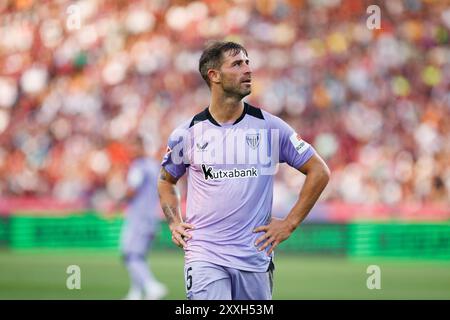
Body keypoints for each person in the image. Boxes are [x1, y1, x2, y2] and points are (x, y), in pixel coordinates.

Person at [157, 41, 330, 300]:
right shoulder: (187, 134)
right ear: (213, 75)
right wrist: (174, 222)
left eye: (248, 62)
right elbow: (166, 181)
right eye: (237, 64)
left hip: (254, 258)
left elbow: (319, 170)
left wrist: (290, 223)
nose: (248, 69)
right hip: (204, 255)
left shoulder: (271, 127)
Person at [119, 136, 168, 300]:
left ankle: (151, 285)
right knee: (139, 256)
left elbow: (132, 189)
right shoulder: (154, 165)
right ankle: (136, 292)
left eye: (134, 147)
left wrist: (116, 201)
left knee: (129, 254)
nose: (131, 151)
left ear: (141, 147)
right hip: (150, 217)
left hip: (138, 218)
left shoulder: (138, 166)